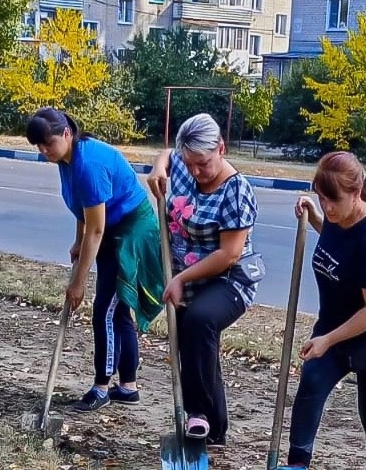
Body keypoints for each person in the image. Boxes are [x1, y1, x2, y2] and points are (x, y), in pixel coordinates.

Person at [270, 152, 366, 470]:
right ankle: (297, 464)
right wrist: (315, 216)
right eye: (321, 198)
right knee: (313, 380)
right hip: (335, 325)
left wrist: (328, 339)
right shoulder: (335, 216)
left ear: (357, 191)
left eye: (332, 201)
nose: (327, 207)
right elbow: (337, 243)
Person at [27, 106, 163, 411]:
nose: (43, 150)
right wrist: (77, 241)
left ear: (66, 133)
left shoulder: (90, 163)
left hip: (130, 232)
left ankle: (102, 387)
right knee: (117, 311)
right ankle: (128, 388)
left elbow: (97, 228)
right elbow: (85, 210)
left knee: (104, 309)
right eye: (38, 146)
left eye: (47, 143)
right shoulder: (67, 158)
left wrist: (77, 283)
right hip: (108, 228)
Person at [148, 113, 260, 447]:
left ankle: (197, 413)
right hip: (187, 275)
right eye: (190, 163)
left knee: (199, 322)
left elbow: (230, 254)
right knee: (197, 347)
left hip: (230, 279)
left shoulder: (236, 191)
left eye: (204, 163)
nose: (196, 171)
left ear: (221, 149)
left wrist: (181, 277)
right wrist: (158, 167)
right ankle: (216, 430)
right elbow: (168, 153)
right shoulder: (183, 162)